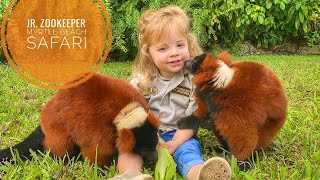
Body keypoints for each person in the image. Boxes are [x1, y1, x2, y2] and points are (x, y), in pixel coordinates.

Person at [110, 5, 232, 180]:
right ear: (148, 53)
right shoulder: (142, 81)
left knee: (189, 152)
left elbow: (192, 119)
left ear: (188, 44)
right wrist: (149, 136)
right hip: (148, 133)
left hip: (179, 134)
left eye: (179, 45)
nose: (174, 53)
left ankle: (200, 173)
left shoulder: (193, 81)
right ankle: (130, 175)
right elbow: (133, 112)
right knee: (129, 150)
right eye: (163, 49)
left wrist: (176, 142)